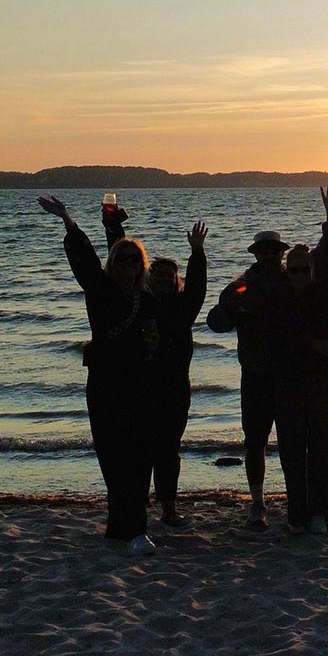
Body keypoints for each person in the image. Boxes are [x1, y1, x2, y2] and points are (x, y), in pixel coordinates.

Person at [38, 195, 162, 555]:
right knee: (112, 454)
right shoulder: (101, 291)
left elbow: (154, 336)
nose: (127, 265)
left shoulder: (148, 299)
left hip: (140, 382)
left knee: (140, 456)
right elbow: (86, 262)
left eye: (134, 260)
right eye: (122, 259)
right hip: (108, 382)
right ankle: (121, 527)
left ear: (142, 265)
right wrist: (67, 219)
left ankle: (135, 528)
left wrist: (154, 345)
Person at [273, 184, 328, 534]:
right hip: (289, 381)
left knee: (322, 447)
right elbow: (280, 339)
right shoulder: (278, 298)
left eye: (305, 269)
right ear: (286, 272)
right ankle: (297, 514)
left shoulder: (325, 291)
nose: (301, 275)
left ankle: (324, 512)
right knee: (293, 450)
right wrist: (310, 344)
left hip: (323, 379)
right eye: (294, 270)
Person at [206, 228, 292, 528]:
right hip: (255, 374)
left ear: (282, 253)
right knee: (255, 442)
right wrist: (230, 308)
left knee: (292, 441)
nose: (270, 255)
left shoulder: (293, 281)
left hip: (288, 375)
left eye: (275, 250)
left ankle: (295, 498)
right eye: (264, 251)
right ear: (256, 254)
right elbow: (215, 323)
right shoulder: (239, 287)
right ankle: (257, 502)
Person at [124, 218, 207, 528]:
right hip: (142, 387)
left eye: (169, 277)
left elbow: (198, 289)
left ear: (176, 280)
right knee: (141, 448)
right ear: (148, 278)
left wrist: (197, 253)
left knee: (169, 449)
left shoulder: (183, 309)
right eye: (157, 275)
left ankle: (169, 508)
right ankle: (139, 505)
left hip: (174, 389)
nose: (163, 280)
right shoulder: (138, 303)